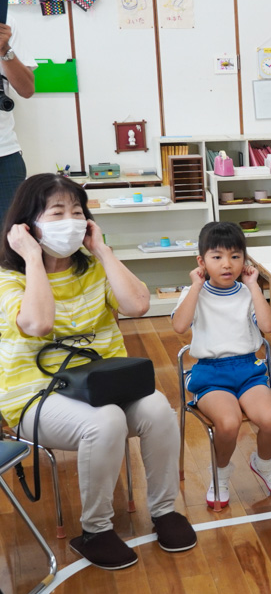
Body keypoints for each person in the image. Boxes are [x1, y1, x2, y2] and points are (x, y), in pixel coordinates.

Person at [0, 174, 195, 570]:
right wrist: (34, 259)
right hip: (36, 395)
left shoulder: (91, 268)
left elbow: (138, 304)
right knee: (105, 422)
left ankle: (164, 511)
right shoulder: (9, 278)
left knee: (158, 407)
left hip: (104, 383)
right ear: (26, 226)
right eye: (57, 212)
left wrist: (103, 252)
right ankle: (96, 530)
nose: (70, 220)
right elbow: (36, 324)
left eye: (77, 212)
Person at [171, 222, 271, 509]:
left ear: (245, 261)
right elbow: (179, 326)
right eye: (217, 257)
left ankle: (262, 463)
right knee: (228, 422)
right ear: (201, 262)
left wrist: (253, 287)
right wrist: (196, 286)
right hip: (210, 374)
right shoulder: (193, 292)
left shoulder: (248, 291)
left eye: (235, 257)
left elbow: (269, 327)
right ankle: (221, 473)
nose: (227, 264)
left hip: (249, 370)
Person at [0, 15, 37, 224]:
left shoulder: (5, 20)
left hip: (4, 156)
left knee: (11, 243)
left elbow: (27, 89)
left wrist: (4, 49)